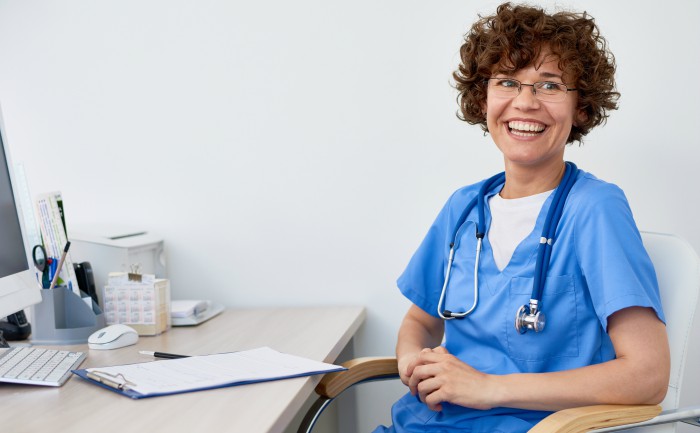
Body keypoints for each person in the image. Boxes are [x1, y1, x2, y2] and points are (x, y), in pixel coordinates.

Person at [375, 3, 670, 432]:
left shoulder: (595, 209)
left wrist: (490, 388)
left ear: (582, 106)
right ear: (483, 97)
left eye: (549, 85)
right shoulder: (463, 207)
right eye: (507, 82)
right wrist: (413, 363)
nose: (525, 103)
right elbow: (420, 322)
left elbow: (648, 375)